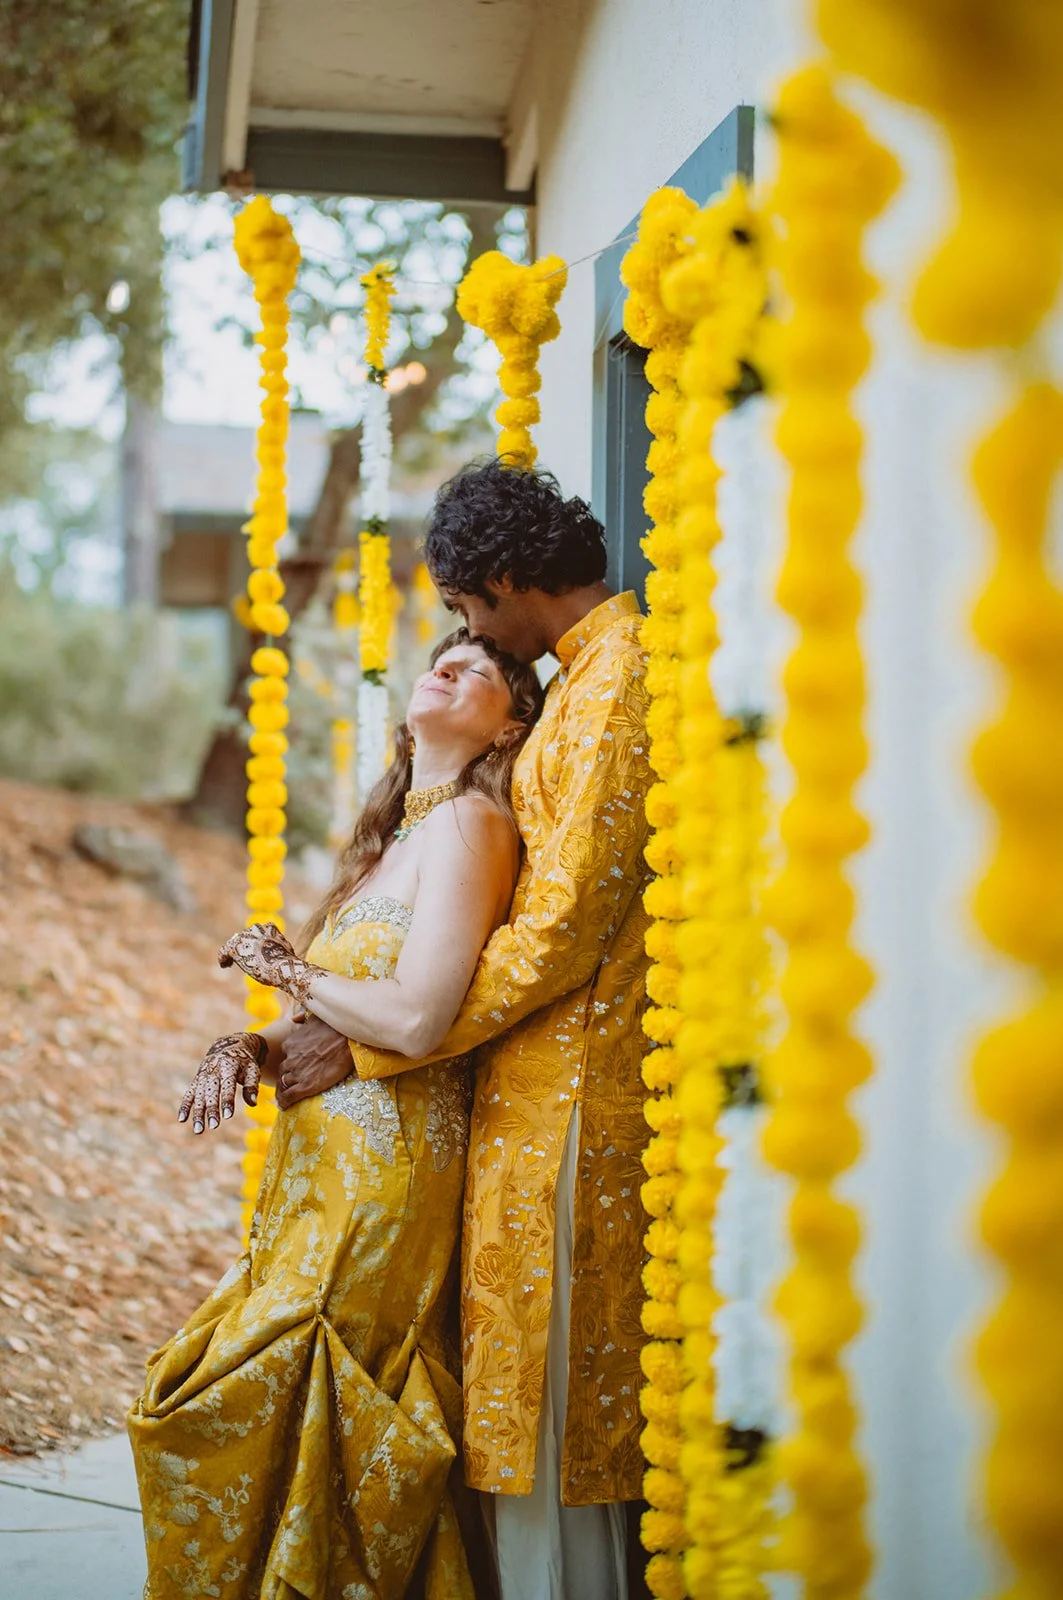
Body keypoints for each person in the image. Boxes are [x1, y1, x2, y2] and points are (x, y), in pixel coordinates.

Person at [275, 459, 655, 1600]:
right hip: (522, 1086)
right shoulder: (585, 683)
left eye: (467, 611)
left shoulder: (615, 683)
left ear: (502, 579)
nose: (472, 636)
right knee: (511, 1402)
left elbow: (556, 938)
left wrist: (378, 1036)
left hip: (574, 1095)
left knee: (544, 1418)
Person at [127, 629, 543, 1600]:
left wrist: (284, 967)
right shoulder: (395, 834)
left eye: (475, 669)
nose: (444, 667)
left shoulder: (474, 826)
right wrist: (249, 1045)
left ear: (509, 724)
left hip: (386, 1179)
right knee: (272, 1388)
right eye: (438, 657)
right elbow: (333, 1010)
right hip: (314, 1172)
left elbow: (415, 1014)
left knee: (270, 1380)